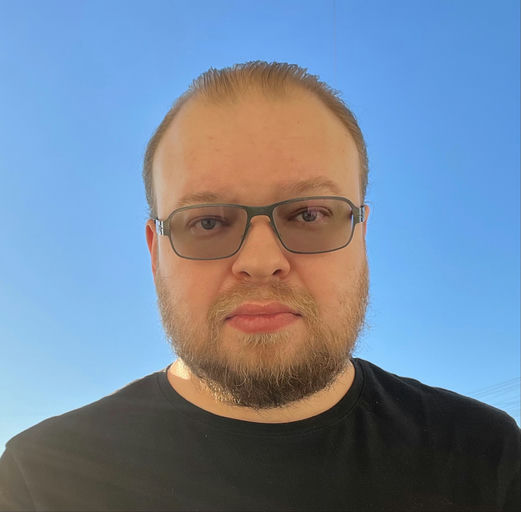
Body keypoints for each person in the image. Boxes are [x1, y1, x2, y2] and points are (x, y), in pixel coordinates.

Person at [0, 61, 519, 512]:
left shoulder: (488, 455)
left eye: (310, 214)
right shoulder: (40, 482)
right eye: (207, 221)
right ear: (156, 252)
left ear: (362, 236)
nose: (261, 261)